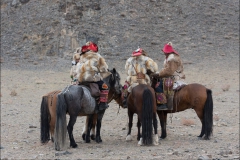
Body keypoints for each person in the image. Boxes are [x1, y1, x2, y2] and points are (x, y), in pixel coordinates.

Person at [76, 41, 111, 111]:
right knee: (105, 87)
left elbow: (78, 67)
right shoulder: (98, 56)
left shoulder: (82, 56)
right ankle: (102, 104)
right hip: (92, 79)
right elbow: (103, 68)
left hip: (81, 79)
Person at [152, 42, 186, 110]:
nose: (164, 53)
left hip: (174, 77)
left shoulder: (172, 59)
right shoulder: (170, 58)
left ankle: (163, 104)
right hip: (171, 75)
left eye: (165, 52)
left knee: (158, 86)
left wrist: (159, 74)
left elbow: (170, 71)